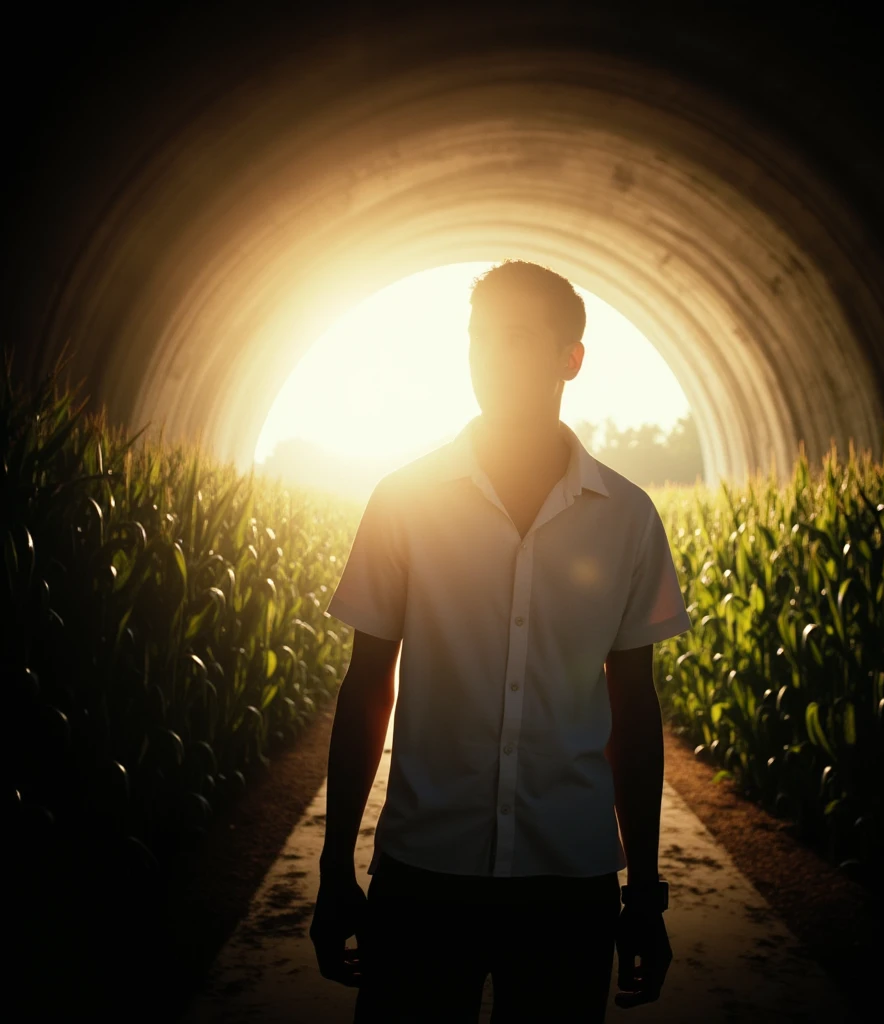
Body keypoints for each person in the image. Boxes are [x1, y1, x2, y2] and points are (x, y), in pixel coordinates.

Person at [309, 259, 692, 1022]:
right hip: (424, 870)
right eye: (481, 339)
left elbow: (635, 707)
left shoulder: (628, 517)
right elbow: (365, 688)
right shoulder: (404, 501)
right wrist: (334, 866)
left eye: (518, 339)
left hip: (569, 878)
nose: (492, 358)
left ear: (570, 360)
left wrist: (644, 891)